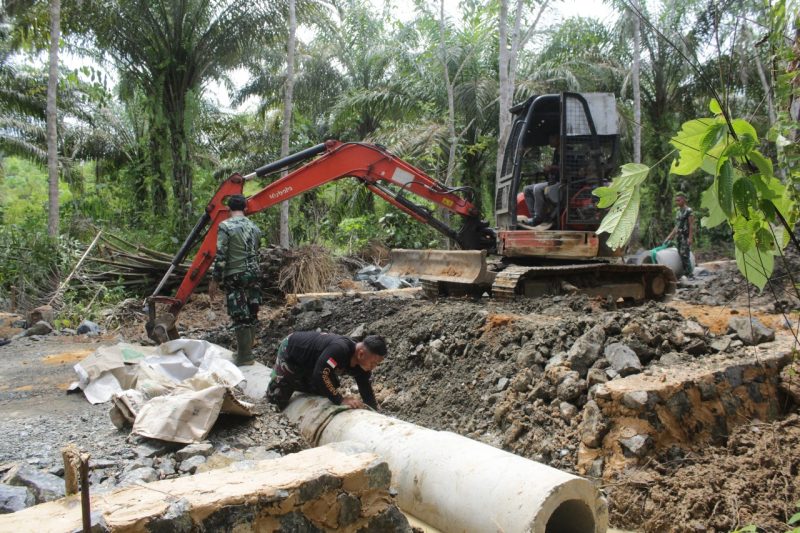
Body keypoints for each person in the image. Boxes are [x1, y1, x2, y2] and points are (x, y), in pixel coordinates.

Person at [266, 331, 387, 411]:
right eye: (373, 363)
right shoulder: (340, 350)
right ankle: (279, 384)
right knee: (277, 400)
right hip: (292, 352)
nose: (374, 367)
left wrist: (373, 410)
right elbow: (320, 374)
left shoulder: (363, 365)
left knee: (328, 388)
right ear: (361, 354)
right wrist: (341, 400)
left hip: (314, 364)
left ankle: (299, 382)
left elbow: (365, 388)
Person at [210, 194, 263, 366]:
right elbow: (256, 249)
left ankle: (244, 356)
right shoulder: (255, 227)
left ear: (228, 209)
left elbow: (221, 255)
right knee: (252, 310)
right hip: (254, 273)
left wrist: (215, 279)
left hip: (235, 274)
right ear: (245, 208)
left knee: (240, 313)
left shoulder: (225, 226)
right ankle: (246, 353)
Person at [522, 134, 560, 226]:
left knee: (538, 188)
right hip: (553, 181)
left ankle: (538, 217)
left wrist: (551, 167)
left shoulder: (566, 151)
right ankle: (534, 216)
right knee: (527, 189)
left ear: (558, 139)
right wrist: (548, 171)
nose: (549, 140)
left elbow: (566, 167)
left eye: (551, 138)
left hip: (562, 182)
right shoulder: (556, 152)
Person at [664, 191, 695, 277]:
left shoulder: (688, 211)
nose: (677, 202)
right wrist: (669, 237)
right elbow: (676, 227)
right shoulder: (678, 212)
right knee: (680, 254)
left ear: (684, 200)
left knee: (685, 254)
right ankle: (685, 273)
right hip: (679, 236)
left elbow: (691, 225)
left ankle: (690, 274)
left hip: (685, 236)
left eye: (679, 200)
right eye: (676, 200)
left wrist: (690, 237)